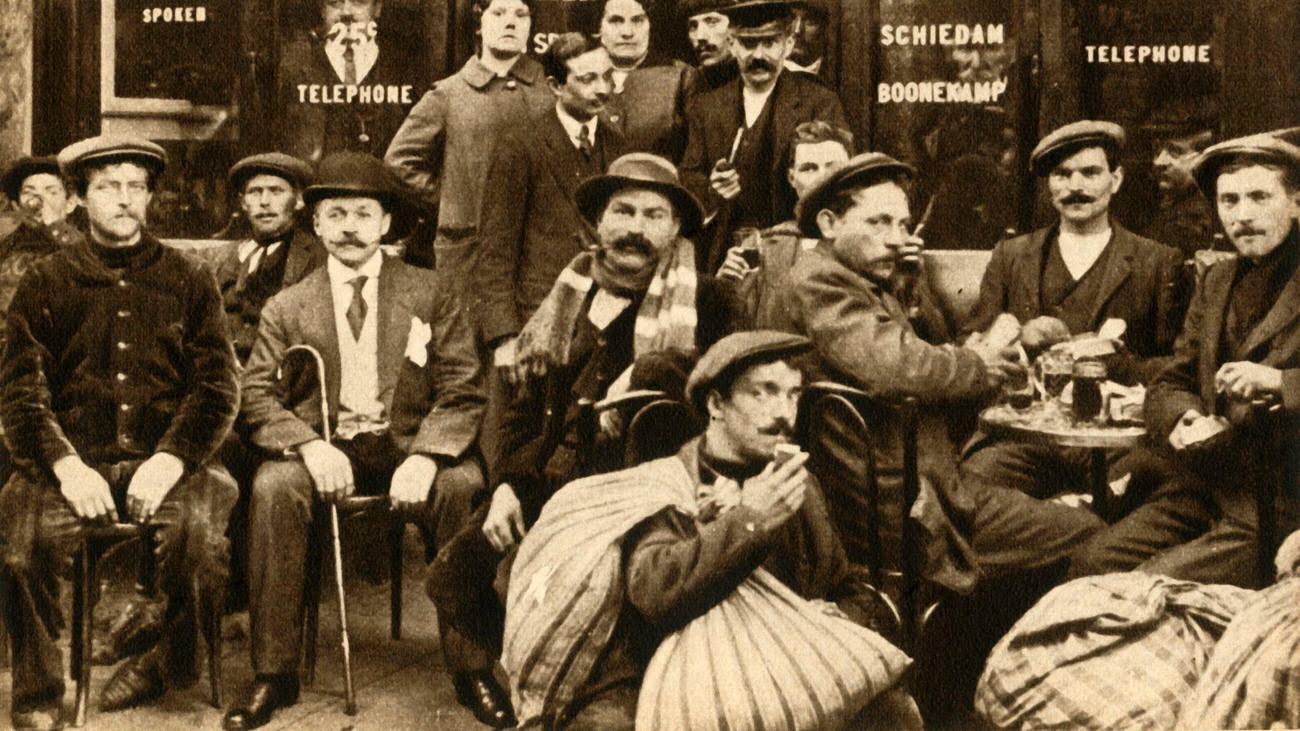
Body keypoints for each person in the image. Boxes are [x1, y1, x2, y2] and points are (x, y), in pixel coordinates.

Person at [428, 152, 746, 727]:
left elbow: (725, 392)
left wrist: (650, 370)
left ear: (676, 228)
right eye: (622, 211)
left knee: (613, 600)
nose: (635, 228)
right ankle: (504, 668)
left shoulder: (707, 300)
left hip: (647, 490)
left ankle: (599, 687)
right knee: (455, 571)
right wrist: (504, 488)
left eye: (654, 215)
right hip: (556, 478)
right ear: (598, 223)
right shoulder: (566, 296)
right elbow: (521, 418)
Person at [502, 331, 921, 730]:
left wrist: (837, 616)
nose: (783, 413)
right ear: (716, 404)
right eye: (764, 392)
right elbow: (654, 593)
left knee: (890, 711)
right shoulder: (671, 485)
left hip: (783, 662)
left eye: (793, 394)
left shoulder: (798, 483)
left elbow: (847, 583)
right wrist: (750, 520)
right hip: (673, 669)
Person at [224, 152, 488, 730]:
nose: (349, 226)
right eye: (335, 213)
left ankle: (473, 668)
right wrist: (307, 445)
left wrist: (427, 454)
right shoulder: (288, 305)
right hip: (325, 447)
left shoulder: (430, 292)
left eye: (363, 214)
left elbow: (464, 387)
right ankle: (274, 673)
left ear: (386, 224)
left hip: (406, 445)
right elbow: (255, 395)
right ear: (313, 224)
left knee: (463, 484)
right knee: (273, 487)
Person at [767, 151, 1105, 586]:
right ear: (830, 224)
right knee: (1092, 536)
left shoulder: (858, 279)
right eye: (878, 223)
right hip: (900, 508)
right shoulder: (820, 281)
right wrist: (981, 363)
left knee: (1043, 501)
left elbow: (911, 355)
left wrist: (908, 292)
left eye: (903, 224)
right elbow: (901, 366)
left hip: (908, 483)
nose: (896, 238)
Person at [0, 135, 240, 729]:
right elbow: (21, 395)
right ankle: (37, 693)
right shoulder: (46, 281)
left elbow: (217, 388)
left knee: (202, 543)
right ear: (80, 198)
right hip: (71, 466)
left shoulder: (190, 278)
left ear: (151, 197)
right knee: (19, 546)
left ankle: (168, 655)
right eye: (108, 187)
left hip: (170, 463)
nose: (124, 200)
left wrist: (171, 460)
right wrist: (66, 466)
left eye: (137, 186)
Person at [1068, 133, 1300, 587]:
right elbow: (1173, 378)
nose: (1243, 214)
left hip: (1280, 505)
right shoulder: (1217, 279)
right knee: (1092, 565)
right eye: (1229, 200)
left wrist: (1279, 382)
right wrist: (1184, 419)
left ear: (1296, 202)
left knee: (1148, 591)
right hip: (1205, 482)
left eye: (1259, 197)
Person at [960, 120, 1189, 501]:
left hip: (1117, 444)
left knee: (1140, 497)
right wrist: (1012, 346)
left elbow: (1177, 368)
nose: (1076, 186)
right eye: (1062, 174)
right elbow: (973, 346)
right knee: (971, 486)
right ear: (1050, 185)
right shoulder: (1012, 256)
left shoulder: (1158, 262)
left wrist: (1118, 361)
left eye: (1090, 173)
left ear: (1115, 180)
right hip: (1025, 440)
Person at [474, 32, 625, 370]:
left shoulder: (618, 144)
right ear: (556, 86)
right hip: (539, 320)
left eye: (607, 76)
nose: (602, 88)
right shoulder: (520, 145)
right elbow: (496, 249)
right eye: (587, 79)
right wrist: (504, 337)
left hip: (602, 319)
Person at [384, 0, 553, 289]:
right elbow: (399, 162)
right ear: (479, 24)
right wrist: (451, 202)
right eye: (498, 13)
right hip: (467, 254)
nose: (510, 22)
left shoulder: (550, 91)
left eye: (520, 14)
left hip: (535, 252)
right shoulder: (450, 93)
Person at [681, 0, 849, 273]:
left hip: (800, 255)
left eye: (770, 43)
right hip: (728, 256)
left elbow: (842, 181)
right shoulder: (706, 108)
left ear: (788, 45)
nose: (758, 55)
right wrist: (712, 189)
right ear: (732, 44)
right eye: (748, 44)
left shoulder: (820, 102)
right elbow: (688, 178)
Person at [717, 119, 852, 325]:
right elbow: (737, 326)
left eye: (832, 167)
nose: (822, 178)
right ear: (791, 178)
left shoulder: (875, 240)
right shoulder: (767, 247)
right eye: (809, 169)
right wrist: (725, 287)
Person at [278, 0, 427, 162]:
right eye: (334, 3)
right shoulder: (296, 68)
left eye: (359, 2)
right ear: (322, 10)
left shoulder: (402, 68)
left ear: (377, 8)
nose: (346, 12)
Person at [211, 152, 325, 364]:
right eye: (255, 192)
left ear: (298, 200)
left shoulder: (319, 257)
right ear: (243, 203)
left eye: (276, 191)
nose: (264, 202)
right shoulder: (223, 258)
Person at [597, 0, 694, 161]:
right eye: (616, 21)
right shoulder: (580, 75)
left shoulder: (680, 76)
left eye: (637, 20)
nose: (627, 32)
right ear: (599, 28)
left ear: (650, 26)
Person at [0, 156, 83, 324]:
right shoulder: (6, 244)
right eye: (29, 193)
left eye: (51, 192)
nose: (38, 201)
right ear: (17, 206)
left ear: (70, 203)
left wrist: (53, 225)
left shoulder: (83, 247)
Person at [1144, 120, 1217, 259]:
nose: (1158, 162)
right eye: (1157, 151)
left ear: (1203, 158)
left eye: (1175, 151)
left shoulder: (1198, 221)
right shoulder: (1167, 208)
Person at [682, 0, 737, 97]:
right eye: (693, 26)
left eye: (712, 22)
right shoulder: (686, 89)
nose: (700, 36)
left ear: (735, 27)